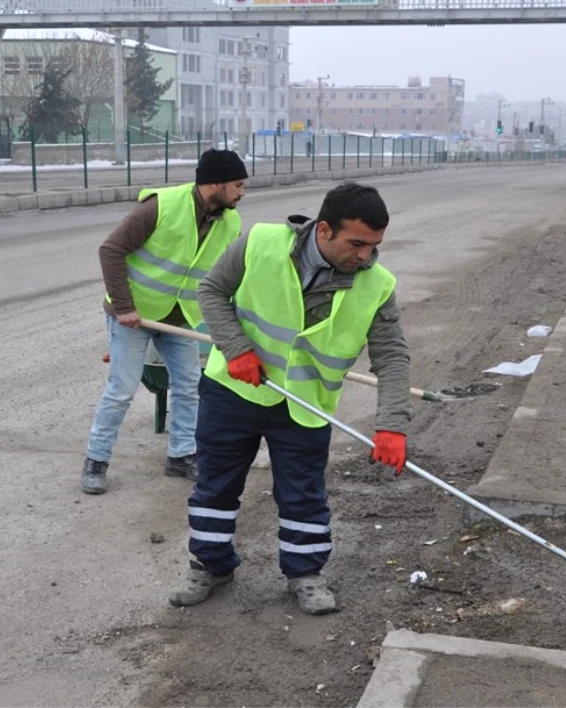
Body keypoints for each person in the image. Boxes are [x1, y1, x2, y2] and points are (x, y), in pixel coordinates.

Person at [169, 182, 412, 614]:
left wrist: (392, 424)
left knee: (302, 495)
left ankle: (305, 574)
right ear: (323, 230)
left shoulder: (376, 285)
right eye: (357, 243)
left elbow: (392, 358)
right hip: (233, 390)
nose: (366, 255)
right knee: (215, 486)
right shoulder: (261, 243)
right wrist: (236, 347)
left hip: (304, 404)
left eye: (374, 245)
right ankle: (210, 564)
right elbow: (211, 291)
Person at [79, 149, 248, 495]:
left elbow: (223, 276)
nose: (242, 192)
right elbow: (111, 250)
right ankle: (96, 460)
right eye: (237, 184)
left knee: (188, 386)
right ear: (215, 183)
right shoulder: (162, 206)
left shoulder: (230, 222)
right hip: (133, 317)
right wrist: (124, 306)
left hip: (180, 317)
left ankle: (181, 455)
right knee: (121, 391)